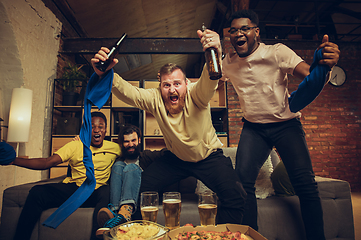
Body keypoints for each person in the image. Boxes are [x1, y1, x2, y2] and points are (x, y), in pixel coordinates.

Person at [207, 9, 339, 240]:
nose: (239, 33)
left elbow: (310, 75)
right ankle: (251, 236)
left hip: (285, 125)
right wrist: (212, 49)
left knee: (305, 184)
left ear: (256, 32)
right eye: (234, 30)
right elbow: (210, 75)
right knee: (242, 183)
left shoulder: (277, 52)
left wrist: (326, 64)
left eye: (245, 29)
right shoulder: (228, 63)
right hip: (254, 128)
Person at [90, 33, 246, 224]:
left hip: (208, 157)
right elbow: (128, 92)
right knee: (139, 190)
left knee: (236, 195)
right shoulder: (155, 98)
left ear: (186, 84)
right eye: (166, 85)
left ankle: (223, 236)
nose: (172, 90)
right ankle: (136, 232)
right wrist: (105, 73)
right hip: (176, 159)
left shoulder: (196, 94)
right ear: (160, 87)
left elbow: (209, 79)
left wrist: (216, 51)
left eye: (177, 84)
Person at [6, 112, 120, 240]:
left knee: (107, 190)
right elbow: (47, 162)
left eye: (101, 126)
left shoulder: (115, 148)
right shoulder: (75, 145)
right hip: (76, 189)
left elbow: (132, 155)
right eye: (92, 126)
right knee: (37, 192)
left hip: (98, 192)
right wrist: (14, 160)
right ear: (86, 129)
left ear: (105, 130)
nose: (96, 130)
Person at [95, 124, 157, 237]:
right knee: (118, 165)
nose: (130, 144)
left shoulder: (146, 156)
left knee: (131, 167)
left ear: (139, 140)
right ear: (122, 144)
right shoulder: (118, 160)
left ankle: (125, 212)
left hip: (139, 195)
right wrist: (80, 140)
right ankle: (116, 213)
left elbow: (163, 154)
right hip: (117, 200)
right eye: (127, 141)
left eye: (133, 140)